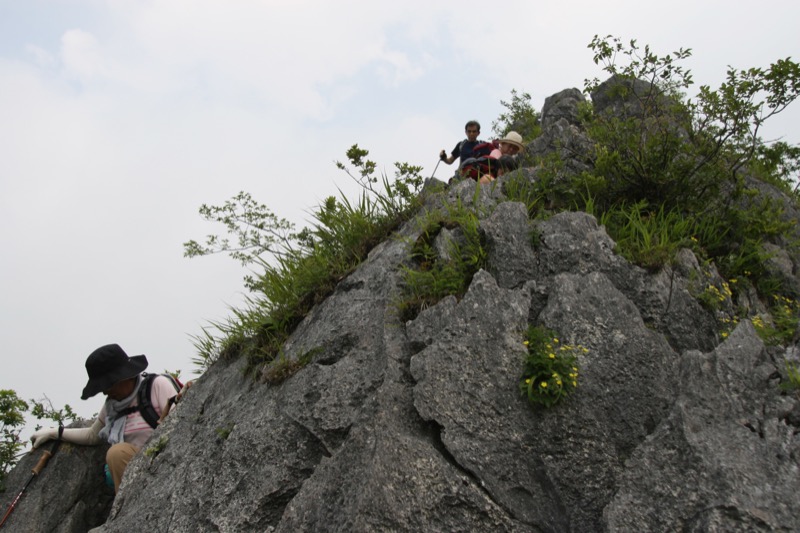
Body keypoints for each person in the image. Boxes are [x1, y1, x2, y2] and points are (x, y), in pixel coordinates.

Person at [30, 344, 187, 493]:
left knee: (117, 453)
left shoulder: (156, 386)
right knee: (116, 454)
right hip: (136, 467)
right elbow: (93, 435)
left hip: (166, 461)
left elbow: (181, 425)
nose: (105, 392)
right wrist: (54, 433)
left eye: (108, 386)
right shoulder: (112, 406)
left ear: (124, 377)